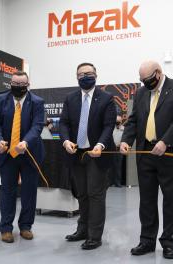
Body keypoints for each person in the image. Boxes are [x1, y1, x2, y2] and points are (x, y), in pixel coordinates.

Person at [120, 60, 173, 259]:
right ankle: (147, 240)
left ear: (158, 73)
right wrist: (126, 141)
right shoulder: (141, 92)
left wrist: (165, 141)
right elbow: (133, 120)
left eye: (148, 79)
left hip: (168, 154)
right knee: (147, 200)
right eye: (141, 80)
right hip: (145, 154)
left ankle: (168, 242)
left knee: (170, 199)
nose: (145, 84)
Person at [60, 62, 116, 250]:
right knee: (82, 194)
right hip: (76, 153)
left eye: (89, 73)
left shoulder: (107, 98)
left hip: (97, 154)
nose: (85, 76)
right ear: (76, 77)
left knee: (95, 194)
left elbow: (109, 125)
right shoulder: (70, 98)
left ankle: (94, 236)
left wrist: (100, 145)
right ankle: (82, 230)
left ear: (96, 75)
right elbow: (64, 123)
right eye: (81, 74)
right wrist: (66, 140)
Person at [0, 71, 45, 243]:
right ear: (10, 83)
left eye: (22, 84)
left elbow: (37, 126)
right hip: (7, 153)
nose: (18, 87)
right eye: (15, 83)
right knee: (7, 191)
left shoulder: (37, 102)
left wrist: (26, 142)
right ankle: (6, 228)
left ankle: (26, 226)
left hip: (29, 153)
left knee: (29, 191)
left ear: (28, 84)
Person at [109, 114, 124, 187]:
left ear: (121, 121)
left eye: (119, 121)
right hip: (111, 149)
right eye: (116, 121)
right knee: (110, 166)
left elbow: (125, 139)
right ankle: (110, 182)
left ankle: (118, 182)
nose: (117, 123)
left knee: (118, 166)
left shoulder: (123, 129)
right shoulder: (111, 128)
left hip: (119, 150)